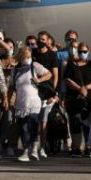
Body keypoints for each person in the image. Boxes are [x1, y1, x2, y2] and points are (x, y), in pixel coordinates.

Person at [9, 47, 52, 162]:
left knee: (32, 125)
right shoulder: (15, 70)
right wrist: (9, 101)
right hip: (21, 102)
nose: (27, 59)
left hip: (34, 101)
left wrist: (39, 80)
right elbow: (12, 87)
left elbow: (49, 74)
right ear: (20, 57)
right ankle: (29, 150)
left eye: (29, 56)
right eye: (25, 57)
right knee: (23, 128)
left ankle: (30, 151)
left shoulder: (35, 65)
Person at [64, 42, 91, 157]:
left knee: (88, 123)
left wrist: (86, 88)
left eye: (85, 51)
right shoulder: (71, 64)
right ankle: (77, 147)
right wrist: (79, 88)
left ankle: (88, 147)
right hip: (74, 98)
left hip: (89, 99)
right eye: (80, 51)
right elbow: (67, 80)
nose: (82, 53)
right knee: (75, 124)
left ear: (88, 52)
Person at [33, 31, 59, 159]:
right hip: (33, 92)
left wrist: (53, 94)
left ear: (47, 40)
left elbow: (55, 75)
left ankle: (42, 148)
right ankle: (33, 147)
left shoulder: (52, 55)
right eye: (39, 39)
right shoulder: (33, 54)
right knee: (34, 122)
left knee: (43, 123)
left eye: (43, 39)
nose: (40, 41)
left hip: (47, 93)